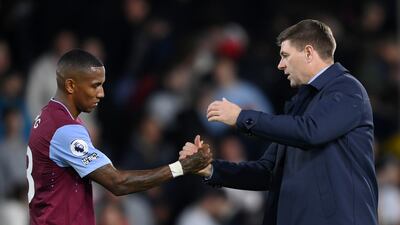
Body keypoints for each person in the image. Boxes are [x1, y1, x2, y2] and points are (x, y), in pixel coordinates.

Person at [180, 19, 378, 225]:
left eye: (285, 55)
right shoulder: (299, 106)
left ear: (309, 52)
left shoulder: (347, 89)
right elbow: (267, 172)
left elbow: (310, 132)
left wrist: (241, 117)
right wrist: (210, 169)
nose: (280, 65)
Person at [26, 49, 212, 225]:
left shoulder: (47, 116)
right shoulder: (65, 130)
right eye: (95, 85)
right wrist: (183, 167)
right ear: (71, 85)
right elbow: (117, 182)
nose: (102, 93)